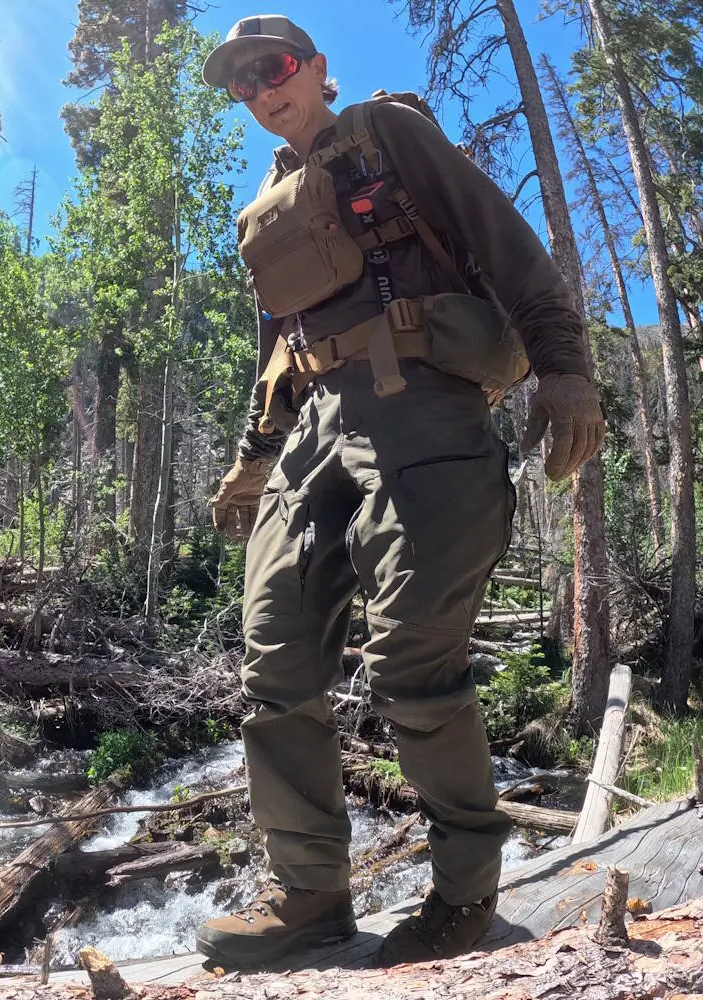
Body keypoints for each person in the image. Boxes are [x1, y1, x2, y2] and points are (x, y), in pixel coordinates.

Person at [195, 14, 605, 970]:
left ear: (318, 69)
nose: (263, 88)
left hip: (420, 403)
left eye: (277, 67)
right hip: (314, 428)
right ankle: (309, 898)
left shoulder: (389, 132)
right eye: (244, 81)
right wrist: (255, 458)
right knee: (273, 655)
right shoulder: (268, 202)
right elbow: (279, 348)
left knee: (414, 652)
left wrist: (567, 370)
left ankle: (464, 897)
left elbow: (507, 246)